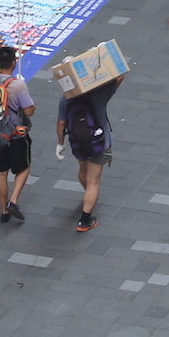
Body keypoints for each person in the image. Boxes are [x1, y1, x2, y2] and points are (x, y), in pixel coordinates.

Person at [56, 74, 122, 233]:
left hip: (78, 142)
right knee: (93, 181)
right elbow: (119, 77)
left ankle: (88, 196)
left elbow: (61, 123)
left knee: (83, 170)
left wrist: (60, 143)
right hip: (98, 143)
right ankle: (85, 220)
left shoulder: (66, 97)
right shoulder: (100, 93)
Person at [0, 45, 36, 223]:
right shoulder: (18, 85)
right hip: (15, 136)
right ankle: (13, 201)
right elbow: (29, 111)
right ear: (14, 62)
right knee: (24, 168)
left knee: (1, 173)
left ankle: (3, 211)